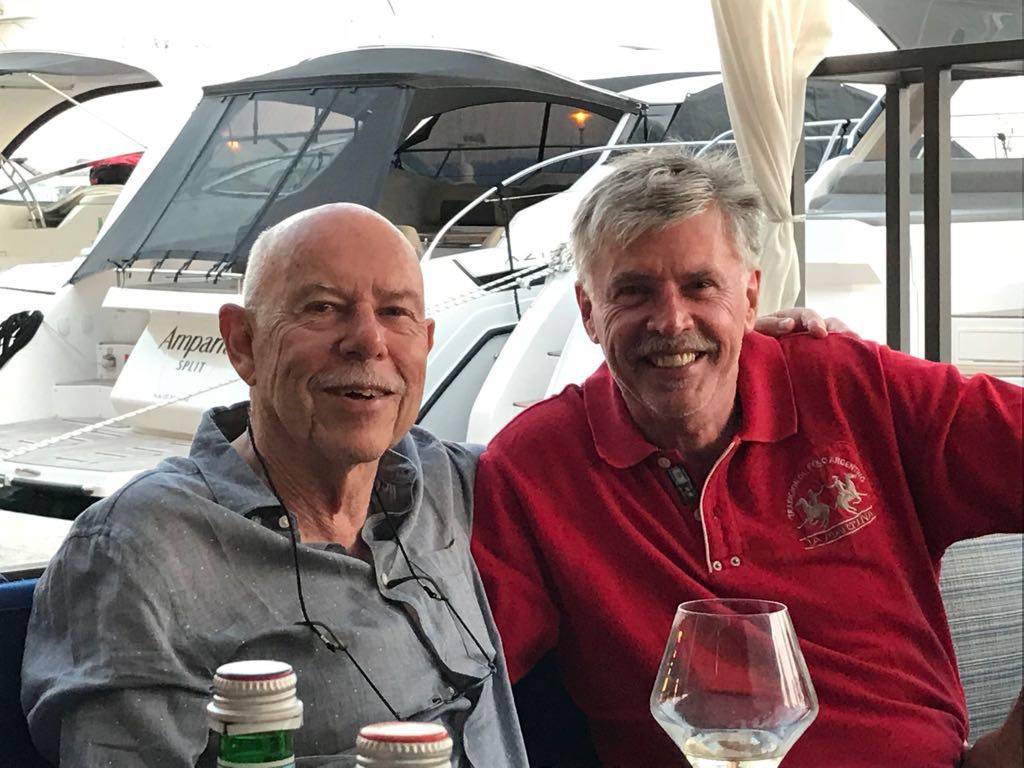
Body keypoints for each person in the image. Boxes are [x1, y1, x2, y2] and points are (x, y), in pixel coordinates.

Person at [470, 150, 1024, 768]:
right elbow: (457, 671)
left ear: (751, 294)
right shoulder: (533, 467)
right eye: (634, 291)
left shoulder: (854, 386)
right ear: (588, 312)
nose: (672, 320)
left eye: (701, 285)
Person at [21, 204, 528, 767]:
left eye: (395, 312)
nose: (368, 340)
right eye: (323, 308)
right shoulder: (138, 551)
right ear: (243, 344)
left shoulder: (450, 483)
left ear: (426, 342)